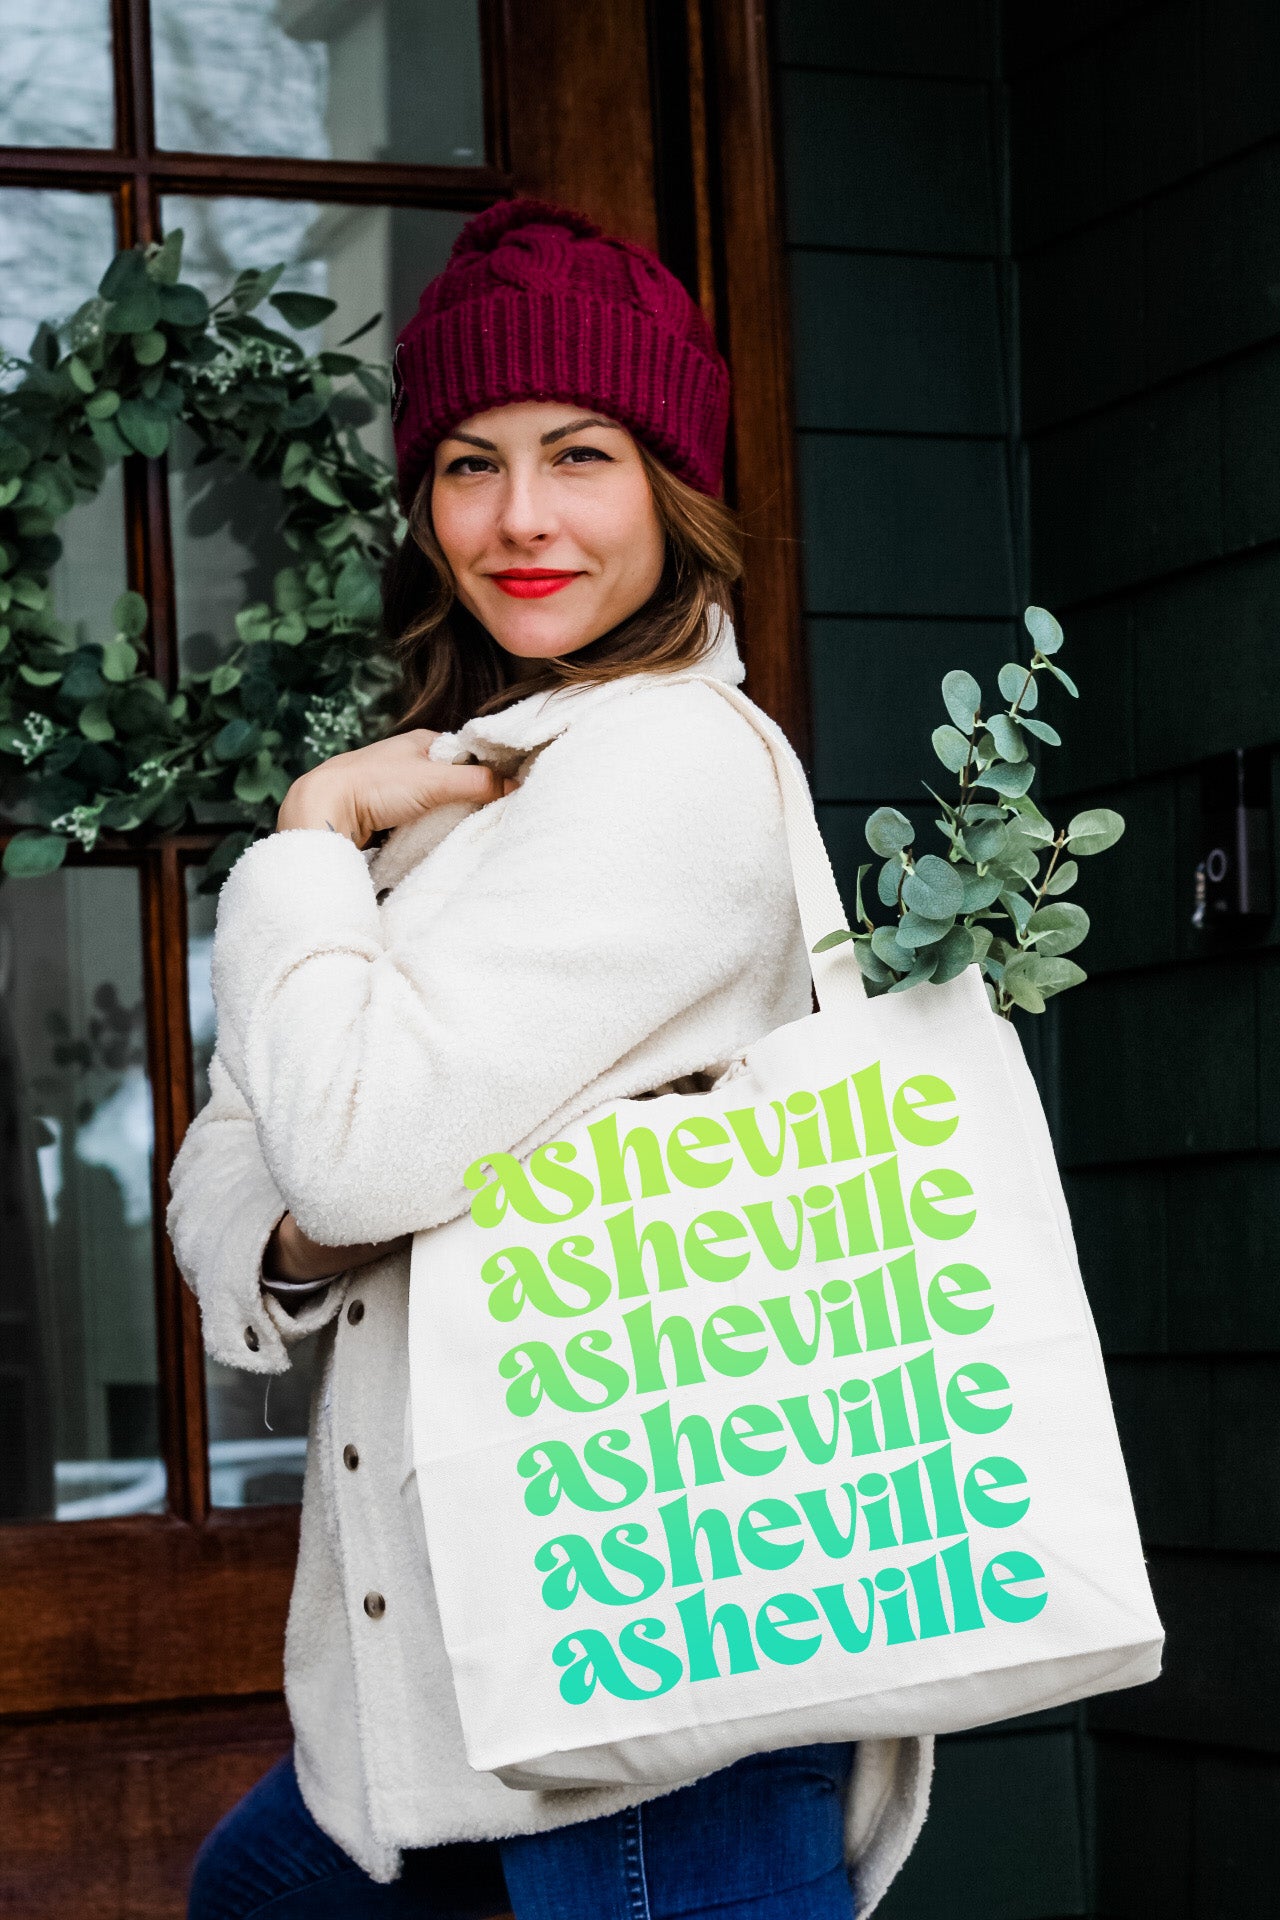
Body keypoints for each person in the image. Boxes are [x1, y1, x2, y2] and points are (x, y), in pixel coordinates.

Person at [170, 198, 932, 1920]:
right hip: (450, 1680)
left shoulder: (662, 766)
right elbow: (237, 1173)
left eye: (578, 454)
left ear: (672, 485)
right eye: (466, 462)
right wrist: (309, 1206)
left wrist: (304, 835)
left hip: (648, 1672)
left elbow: (346, 1151)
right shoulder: (466, 787)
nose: (519, 519)